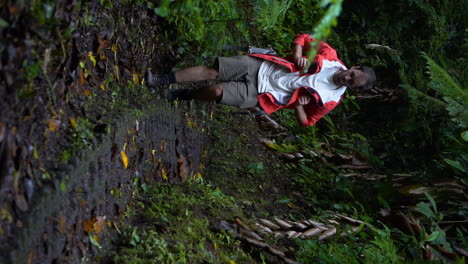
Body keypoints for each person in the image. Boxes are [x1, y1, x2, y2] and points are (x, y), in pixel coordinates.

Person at [146, 33, 376, 127]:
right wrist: (297, 55)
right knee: (213, 71)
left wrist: (298, 107)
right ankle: (162, 79)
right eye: (351, 73)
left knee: (217, 91)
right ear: (353, 67)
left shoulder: (331, 100)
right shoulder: (330, 57)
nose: (346, 77)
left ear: (351, 89)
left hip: (267, 95)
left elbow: (307, 122)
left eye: (350, 82)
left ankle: (185, 94)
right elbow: (303, 37)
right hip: (264, 65)